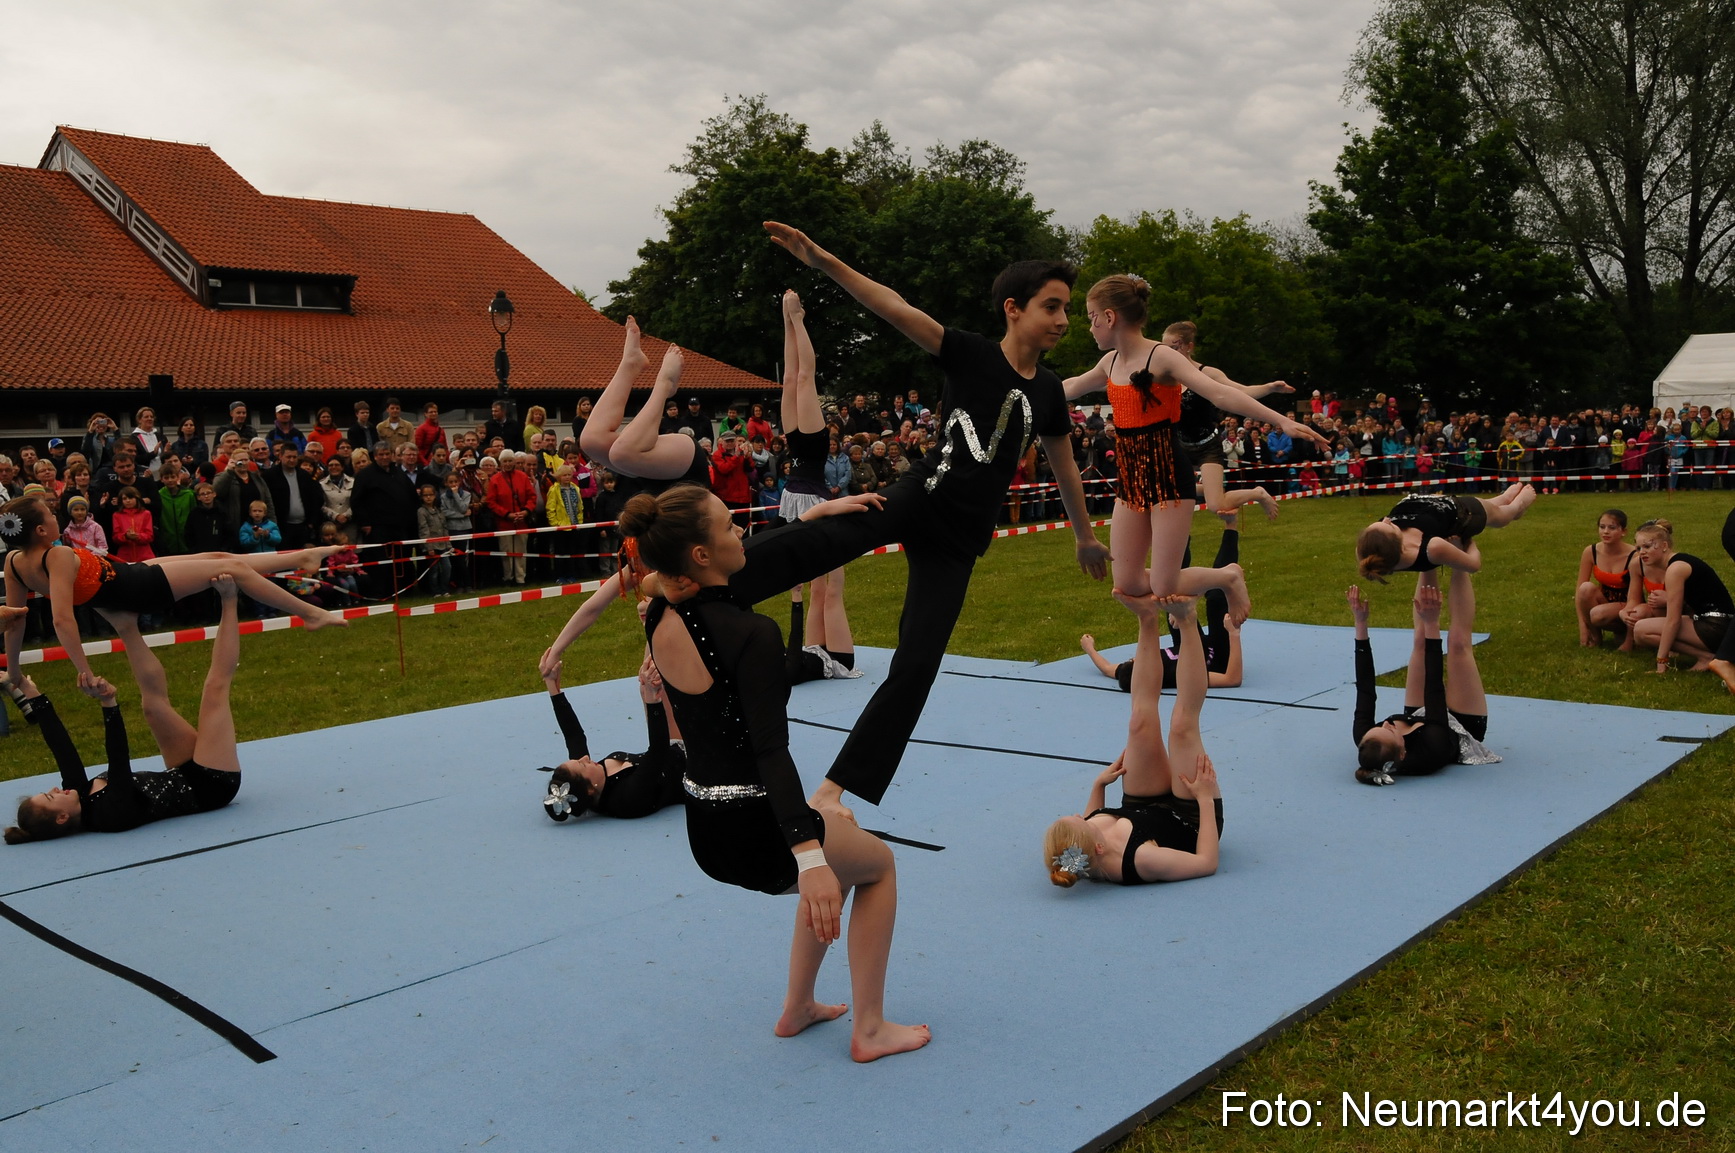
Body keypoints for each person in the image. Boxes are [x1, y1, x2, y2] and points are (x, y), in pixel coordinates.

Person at [733, 224, 1109, 816]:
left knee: (916, 666)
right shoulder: (970, 353)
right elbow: (890, 304)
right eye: (1051, 306)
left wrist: (1085, 537)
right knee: (831, 538)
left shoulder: (1052, 392)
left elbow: (1065, 471)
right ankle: (721, 580)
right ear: (1013, 310)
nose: (1062, 319)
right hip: (920, 498)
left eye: (1066, 308)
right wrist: (821, 256)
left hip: (959, 542)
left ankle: (834, 790)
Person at [623, 486, 928, 1061]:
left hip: (704, 828)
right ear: (700, 557)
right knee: (879, 867)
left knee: (836, 859)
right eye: (727, 526)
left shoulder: (660, 601)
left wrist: (812, 518)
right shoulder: (752, 636)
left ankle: (799, 1006)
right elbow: (771, 752)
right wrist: (808, 857)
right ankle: (869, 1028)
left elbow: (696, 566)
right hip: (755, 827)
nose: (741, 530)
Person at [1061, 275, 1325, 619]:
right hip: (1131, 482)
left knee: (1165, 586)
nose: (1090, 326)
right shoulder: (1108, 363)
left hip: (1169, 477)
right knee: (1126, 584)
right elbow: (1068, 387)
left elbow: (1219, 392)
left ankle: (1228, 576)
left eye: (1091, 317)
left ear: (1110, 318)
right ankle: (1195, 604)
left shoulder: (1162, 357)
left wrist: (1282, 420)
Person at [1, 496, 345, 693]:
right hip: (136, 586)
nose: (56, 513)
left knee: (218, 559)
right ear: (42, 530)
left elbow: (14, 621)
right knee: (234, 570)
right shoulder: (57, 555)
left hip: (119, 591)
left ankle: (301, 557)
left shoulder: (14, 562)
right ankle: (310, 613)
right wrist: (84, 671)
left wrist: (15, 671)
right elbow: (62, 618)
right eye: (50, 513)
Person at [3, 575, 245, 844]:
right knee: (214, 690)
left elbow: (62, 747)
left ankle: (127, 626)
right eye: (50, 796)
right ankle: (230, 599)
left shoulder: (78, 793)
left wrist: (31, 692)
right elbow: (118, 758)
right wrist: (109, 704)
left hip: (182, 773)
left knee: (152, 706)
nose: (54, 789)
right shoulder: (109, 816)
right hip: (211, 785)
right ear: (61, 817)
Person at [1042, 591, 1224, 886]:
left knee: (1140, 720)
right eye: (1080, 818)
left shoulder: (1079, 851)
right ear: (1100, 848)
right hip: (1191, 819)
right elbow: (1206, 863)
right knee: (1182, 725)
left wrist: (1098, 784)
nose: (1082, 814)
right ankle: (1188, 619)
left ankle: (1147, 617)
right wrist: (1204, 798)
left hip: (1142, 806)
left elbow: (1089, 824)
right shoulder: (1142, 860)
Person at [1349, 574, 1498, 785]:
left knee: (1420, 639)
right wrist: (1433, 622)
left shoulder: (1366, 739)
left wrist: (1360, 623)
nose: (1387, 724)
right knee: (1458, 643)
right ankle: (1460, 560)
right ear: (1402, 754)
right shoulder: (1431, 751)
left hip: (1420, 715)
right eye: (1390, 731)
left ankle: (1426, 562)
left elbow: (1365, 688)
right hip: (1461, 728)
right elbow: (1434, 688)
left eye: (1379, 727)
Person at [1081, 513, 1246, 690]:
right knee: (1216, 598)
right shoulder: (1177, 674)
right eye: (1134, 661)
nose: (1135, 657)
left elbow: (1107, 669)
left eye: (1132, 660)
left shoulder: (1130, 672)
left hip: (1187, 645)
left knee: (1168, 592)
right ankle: (1231, 528)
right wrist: (1233, 633)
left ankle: (1177, 532)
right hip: (1215, 657)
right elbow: (1231, 679)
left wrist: (1089, 648)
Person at [538, 645, 687, 822]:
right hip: (699, 764)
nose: (585, 758)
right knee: (659, 683)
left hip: (677, 746)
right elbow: (658, 749)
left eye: (578, 760)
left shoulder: (589, 779)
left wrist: (551, 685)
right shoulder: (627, 798)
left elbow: (574, 736)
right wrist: (652, 698)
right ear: (590, 789)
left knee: (654, 661)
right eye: (583, 764)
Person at [1158, 321, 1285, 519]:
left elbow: (1240, 391)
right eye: (1164, 349)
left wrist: (1269, 387)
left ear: (1189, 347)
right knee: (1166, 490)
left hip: (1207, 446)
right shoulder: (1164, 375)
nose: (1168, 354)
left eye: (1174, 348)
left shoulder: (1207, 374)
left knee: (1215, 505)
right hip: (1180, 445)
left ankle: (1257, 493)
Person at [577, 318, 713, 498]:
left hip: (654, 478)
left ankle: (630, 364)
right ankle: (664, 385)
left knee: (591, 440)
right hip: (688, 472)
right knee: (622, 453)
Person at [1621, 518, 1734, 672]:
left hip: (1717, 627)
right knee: (1641, 631)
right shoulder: (1677, 562)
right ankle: (1707, 657)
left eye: (1647, 546)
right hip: (1715, 622)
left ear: (1664, 546)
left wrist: (1661, 662)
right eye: (1638, 548)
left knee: (1641, 629)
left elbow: (1673, 621)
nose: (1642, 553)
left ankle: (1707, 658)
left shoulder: (1676, 568)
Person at [1355, 486, 1536, 581]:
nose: (1387, 519)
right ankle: (1518, 504)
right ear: (1400, 543)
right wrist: (1468, 543)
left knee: (1496, 505)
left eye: (1381, 522)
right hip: (1462, 512)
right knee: (1502, 516)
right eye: (1391, 526)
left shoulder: (1366, 550)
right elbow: (1473, 565)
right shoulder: (1432, 548)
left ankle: (1504, 498)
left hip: (1424, 503)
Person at [1575, 509, 1634, 646]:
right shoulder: (1591, 551)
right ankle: (1595, 636)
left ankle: (1625, 632)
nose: (1605, 532)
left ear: (1623, 531)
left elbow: (1638, 595)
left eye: (1612, 527)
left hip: (1629, 604)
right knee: (1585, 588)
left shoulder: (1634, 555)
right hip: (1605, 601)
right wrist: (1582, 627)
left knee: (1597, 614)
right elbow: (1579, 590)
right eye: (1602, 527)